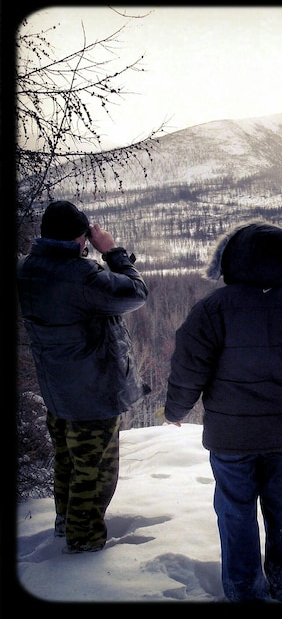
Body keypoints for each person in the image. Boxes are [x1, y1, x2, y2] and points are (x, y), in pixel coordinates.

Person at [164, 220, 282, 602]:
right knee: (279, 506)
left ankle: (243, 592)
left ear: (231, 259)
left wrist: (176, 410)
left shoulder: (212, 310)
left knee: (236, 511)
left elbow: (189, 370)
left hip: (230, 437)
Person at [16, 200, 149, 554]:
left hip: (57, 390)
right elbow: (135, 293)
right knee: (94, 471)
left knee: (67, 462)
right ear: (81, 238)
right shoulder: (81, 275)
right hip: (93, 393)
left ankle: (65, 525)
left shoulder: (26, 269)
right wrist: (113, 251)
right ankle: (84, 543)